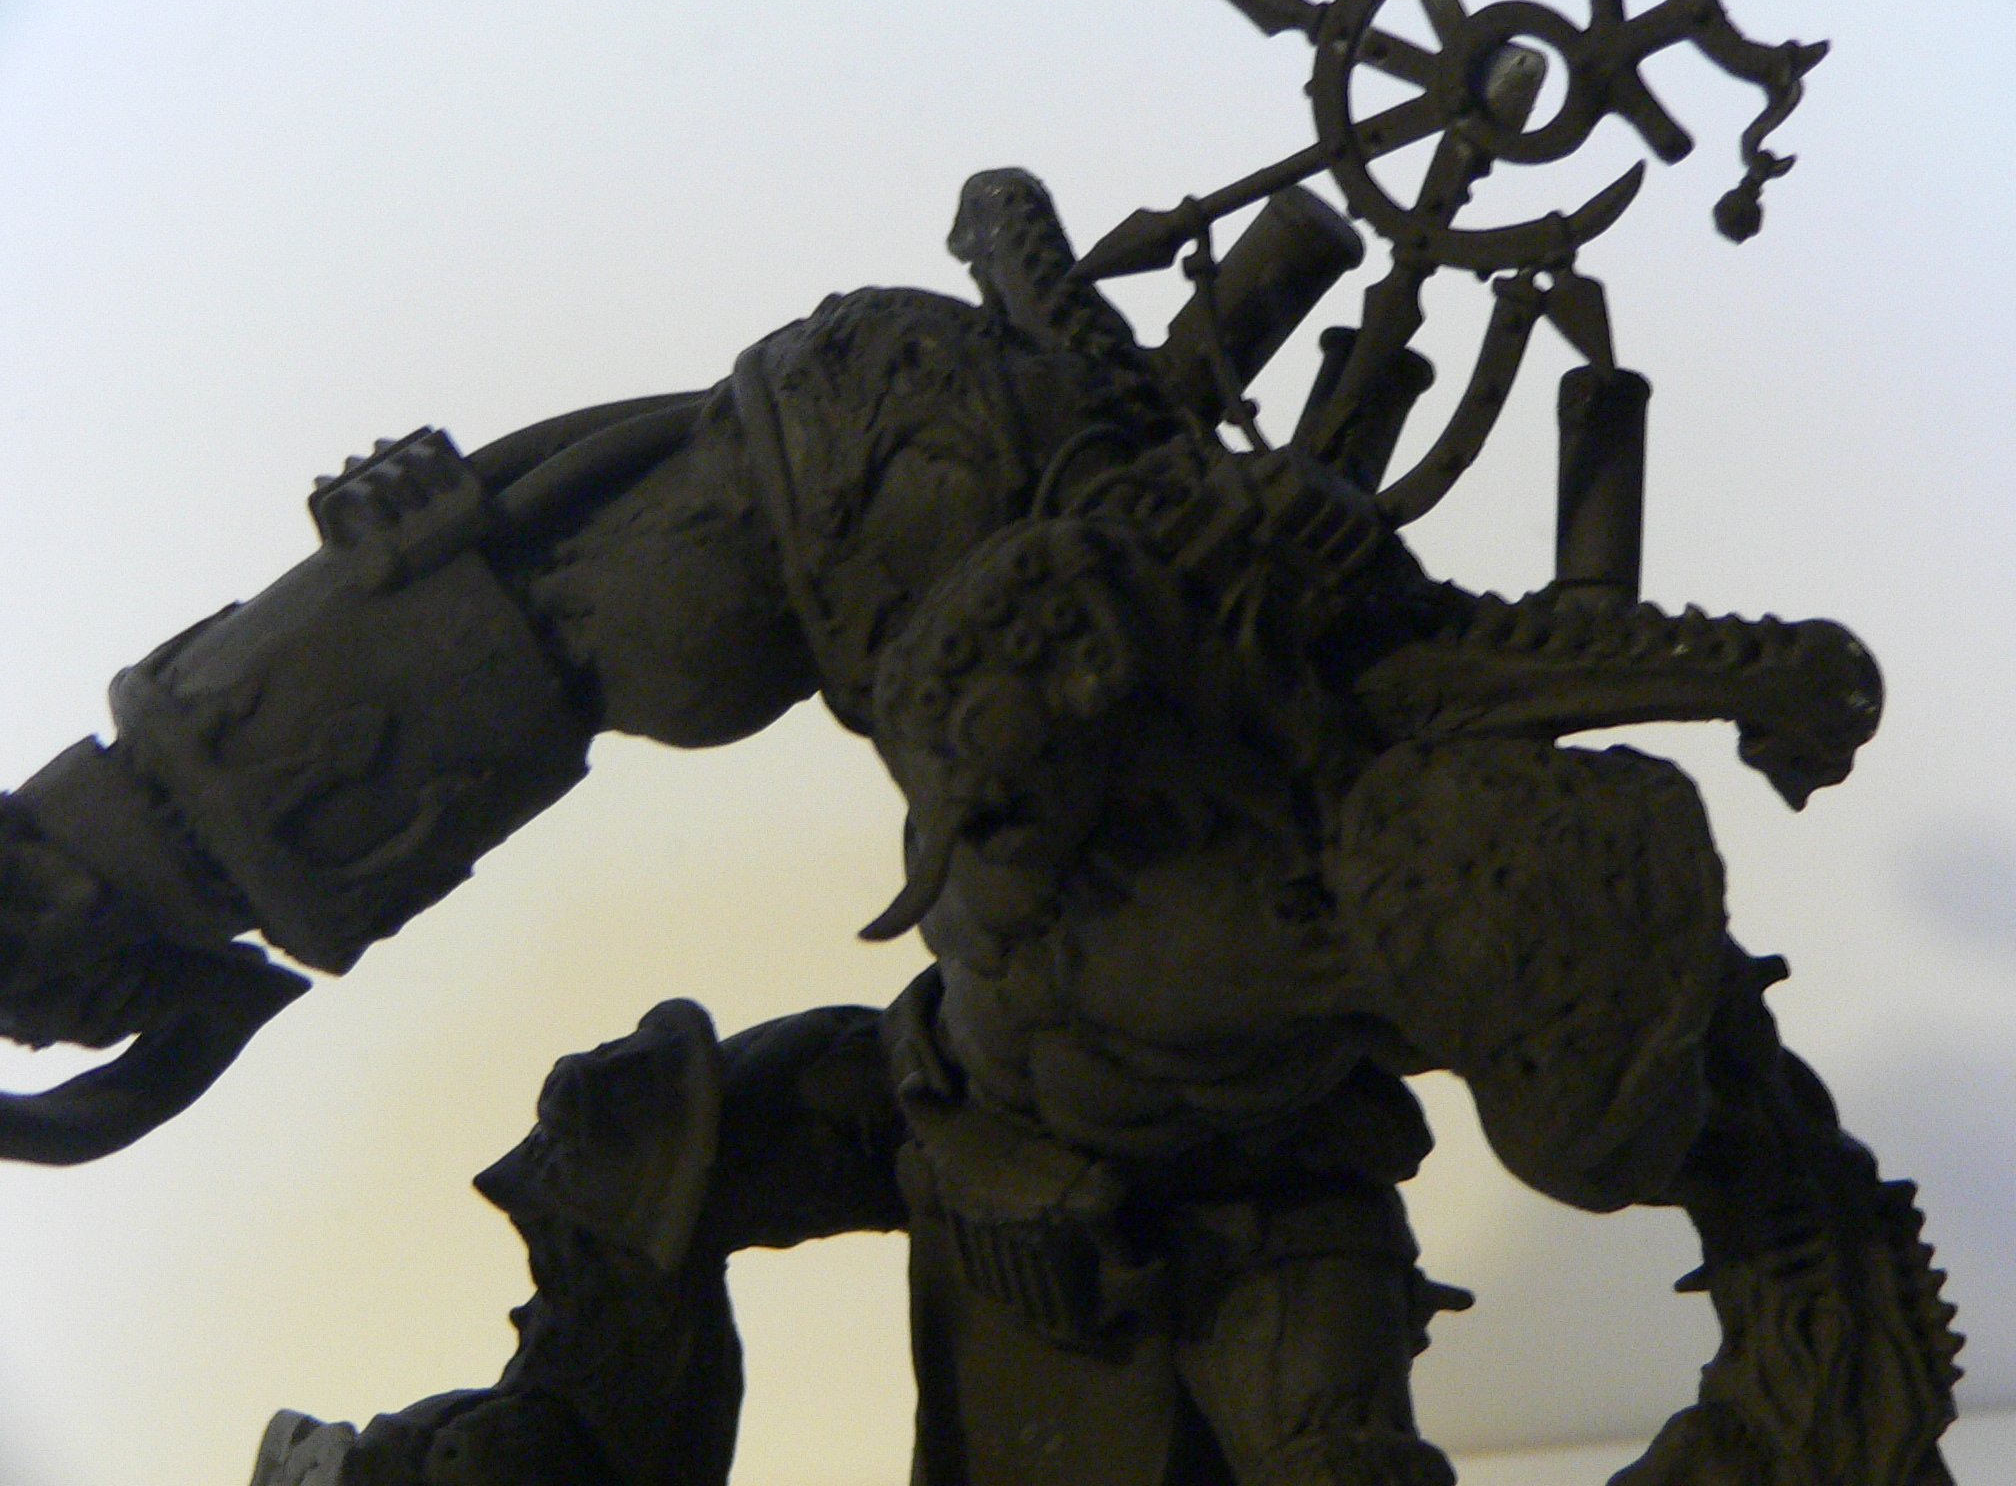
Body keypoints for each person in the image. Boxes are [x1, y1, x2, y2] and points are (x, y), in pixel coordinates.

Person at [0, 171, 1956, 1486]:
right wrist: (155, 857)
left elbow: (1795, 1233)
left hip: (1253, 1252)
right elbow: (633, 579)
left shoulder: (1466, 882)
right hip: (953, 1105)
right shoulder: (948, 489)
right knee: (621, 1140)